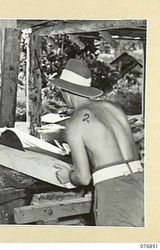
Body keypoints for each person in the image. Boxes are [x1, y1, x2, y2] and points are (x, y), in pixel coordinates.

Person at [52, 59, 144, 227]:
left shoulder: (74, 122)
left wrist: (69, 176)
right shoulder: (113, 107)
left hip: (115, 191)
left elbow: (83, 178)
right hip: (142, 182)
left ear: (66, 91)